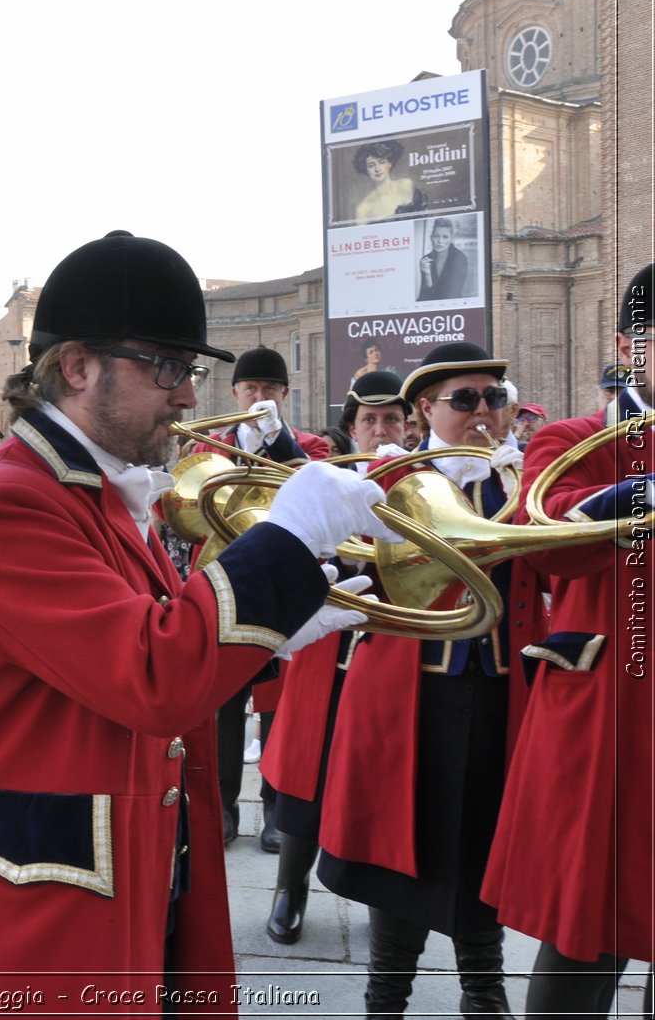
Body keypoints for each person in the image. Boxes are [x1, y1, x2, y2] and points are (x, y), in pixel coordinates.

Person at [0, 229, 394, 1013]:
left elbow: (144, 637)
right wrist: (283, 541)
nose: (189, 395)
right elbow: (151, 674)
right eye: (167, 366)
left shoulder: (94, 487)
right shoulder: (12, 500)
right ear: (79, 366)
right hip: (40, 911)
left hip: (126, 866)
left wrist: (277, 631)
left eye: (187, 370)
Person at [319, 341, 546, 1017]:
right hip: (410, 691)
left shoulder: (524, 484)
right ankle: (386, 996)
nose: (484, 412)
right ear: (425, 409)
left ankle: (484, 991)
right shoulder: (392, 483)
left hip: (500, 690)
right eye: (465, 399)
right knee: (401, 849)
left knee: (484, 842)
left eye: (493, 398)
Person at [483, 263, 654, 1018]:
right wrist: (637, 493)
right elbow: (539, 532)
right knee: (588, 934)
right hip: (615, 724)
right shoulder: (576, 438)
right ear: (627, 346)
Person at [259, 370, 410, 947]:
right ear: (352, 430)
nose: (381, 430)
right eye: (369, 421)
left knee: (376, 783)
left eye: (391, 419)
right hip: (328, 647)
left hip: (391, 656)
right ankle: (288, 889)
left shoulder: (426, 484)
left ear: (408, 425)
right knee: (305, 778)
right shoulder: (327, 477)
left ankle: (381, 905)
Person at [192, 345, 330, 851]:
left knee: (277, 707)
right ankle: (224, 806)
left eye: (270, 390)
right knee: (224, 703)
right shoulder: (208, 448)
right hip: (224, 578)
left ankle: (276, 810)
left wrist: (279, 440)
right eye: (251, 389)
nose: (259, 397)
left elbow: (312, 489)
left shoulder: (309, 445)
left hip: (285, 581)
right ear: (234, 393)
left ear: (285, 395)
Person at [354, 140, 427, 222]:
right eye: (371, 165)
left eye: (382, 162)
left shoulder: (406, 185)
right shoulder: (363, 209)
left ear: (389, 163)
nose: (377, 169)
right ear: (366, 170)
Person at [417, 217, 469, 302]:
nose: (440, 241)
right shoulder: (426, 260)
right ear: (431, 237)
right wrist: (427, 274)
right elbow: (424, 296)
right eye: (436, 236)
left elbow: (449, 295)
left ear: (451, 238)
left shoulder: (459, 258)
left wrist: (428, 278)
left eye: (445, 237)